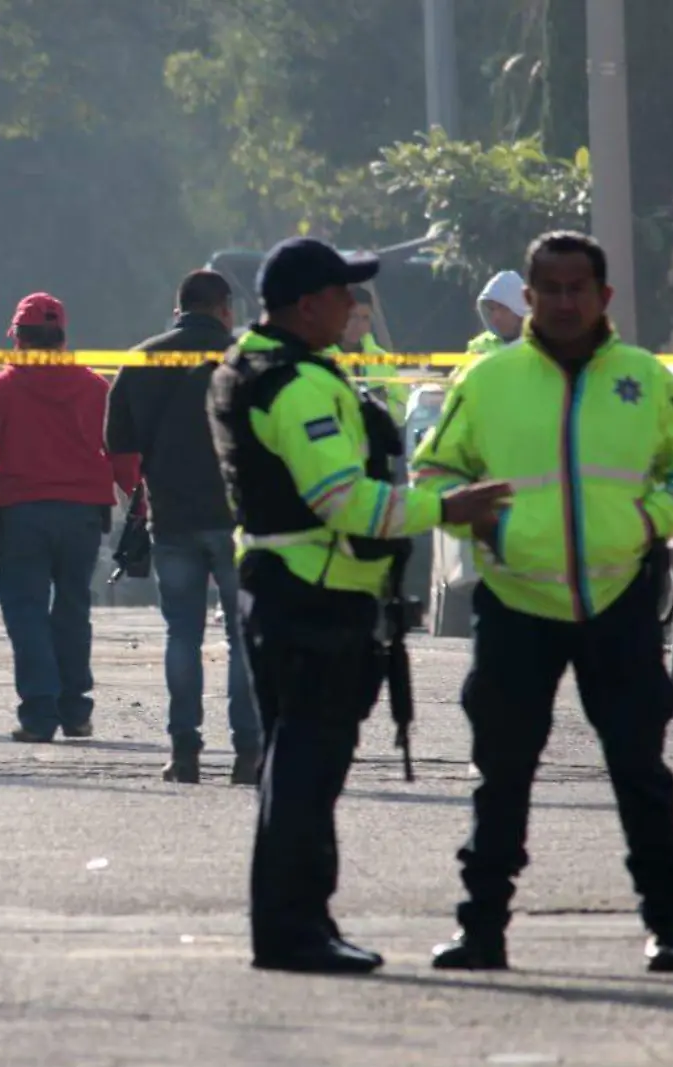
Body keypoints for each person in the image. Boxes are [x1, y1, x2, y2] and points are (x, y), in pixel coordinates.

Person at [412, 231, 673, 974]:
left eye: (575, 287)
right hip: (515, 604)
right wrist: (467, 510)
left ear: (603, 296)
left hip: (619, 601)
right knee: (503, 771)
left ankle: (667, 927)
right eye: (547, 288)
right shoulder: (487, 381)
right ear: (527, 296)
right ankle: (481, 929)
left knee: (639, 770)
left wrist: (644, 521)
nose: (561, 300)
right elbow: (431, 476)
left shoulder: (645, 379)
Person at [206, 238, 511, 974]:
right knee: (308, 773)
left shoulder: (260, 362)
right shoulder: (296, 382)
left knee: (298, 773)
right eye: (345, 294)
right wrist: (446, 506)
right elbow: (341, 499)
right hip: (311, 596)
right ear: (308, 303)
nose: (355, 307)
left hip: (292, 589)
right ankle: (293, 932)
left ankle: (301, 923)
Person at [0, 293, 141, 742]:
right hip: (83, 518)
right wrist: (139, 501)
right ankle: (76, 711)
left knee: (26, 615)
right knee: (73, 610)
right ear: (62, 338)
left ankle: (40, 715)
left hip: (20, 518)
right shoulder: (96, 388)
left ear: (17, 339)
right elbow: (123, 452)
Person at [106, 269, 261, 784]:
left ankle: (184, 751)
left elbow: (120, 449)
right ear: (224, 309)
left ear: (180, 308)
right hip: (238, 520)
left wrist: (140, 497)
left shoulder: (143, 357)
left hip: (171, 519)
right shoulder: (248, 359)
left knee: (181, 635)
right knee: (243, 638)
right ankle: (249, 752)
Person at [340, 285, 407, 413]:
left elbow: (402, 409)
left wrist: (377, 406)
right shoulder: (321, 358)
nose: (358, 325)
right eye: (352, 316)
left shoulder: (382, 358)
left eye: (365, 318)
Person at [465, 270, 528, 356]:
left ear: (520, 308)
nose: (495, 317)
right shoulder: (479, 348)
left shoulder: (541, 348)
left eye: (503, 308)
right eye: (491, 309)